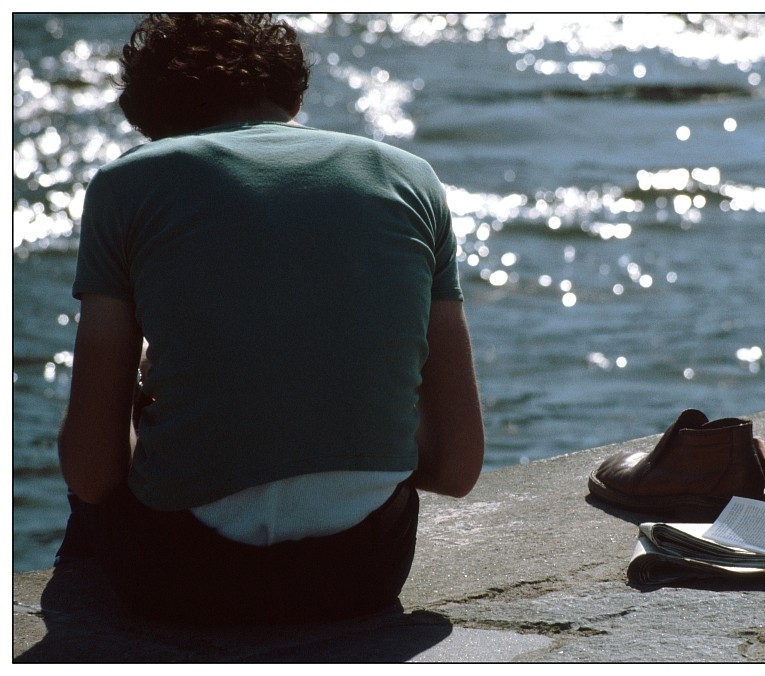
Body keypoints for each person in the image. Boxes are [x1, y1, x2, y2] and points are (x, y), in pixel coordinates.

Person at [56, 13, 484, 624]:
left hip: (185, 577)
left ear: (148, 114)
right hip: (363, 570)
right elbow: (457, 467)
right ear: (292, 93)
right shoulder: (411, 177)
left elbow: (94, 472)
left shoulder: (128, 183)